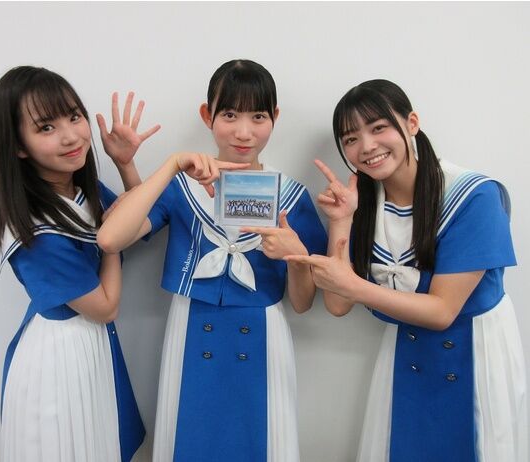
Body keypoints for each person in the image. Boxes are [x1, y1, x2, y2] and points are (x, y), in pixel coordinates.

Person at [97, 59, 327, 461]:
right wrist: (145, 164)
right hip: (191, 331)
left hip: (263, 337)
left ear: (275, 117)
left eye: (258, 116)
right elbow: (113, 237)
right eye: (230, 114)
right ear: (208, 116)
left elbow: (304, 303)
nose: (243, 131)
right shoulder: (182, 186)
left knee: (259, 442)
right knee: (191, 438)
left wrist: (295, 257)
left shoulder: (291, 197)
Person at [286, 79, 528, 462]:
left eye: (378, 127)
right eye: (351, 139)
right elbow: (337, 303)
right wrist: (341, 220)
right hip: (406, 352)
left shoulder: (474, 195)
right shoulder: (365, 203)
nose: (367, 146)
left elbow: (442, 311)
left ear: (411, 123)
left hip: (476, 352)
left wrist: (354, 286)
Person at [0, 65, 160, 461]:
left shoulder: (78, 191)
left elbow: (136, 223)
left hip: (89, 347)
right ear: (18, 145)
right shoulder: (32, 227)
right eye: (46, 127)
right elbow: (105, 307)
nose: (70, 136)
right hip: (58, 358)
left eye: (74, 116)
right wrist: (109, 240)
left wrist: (125, 164)